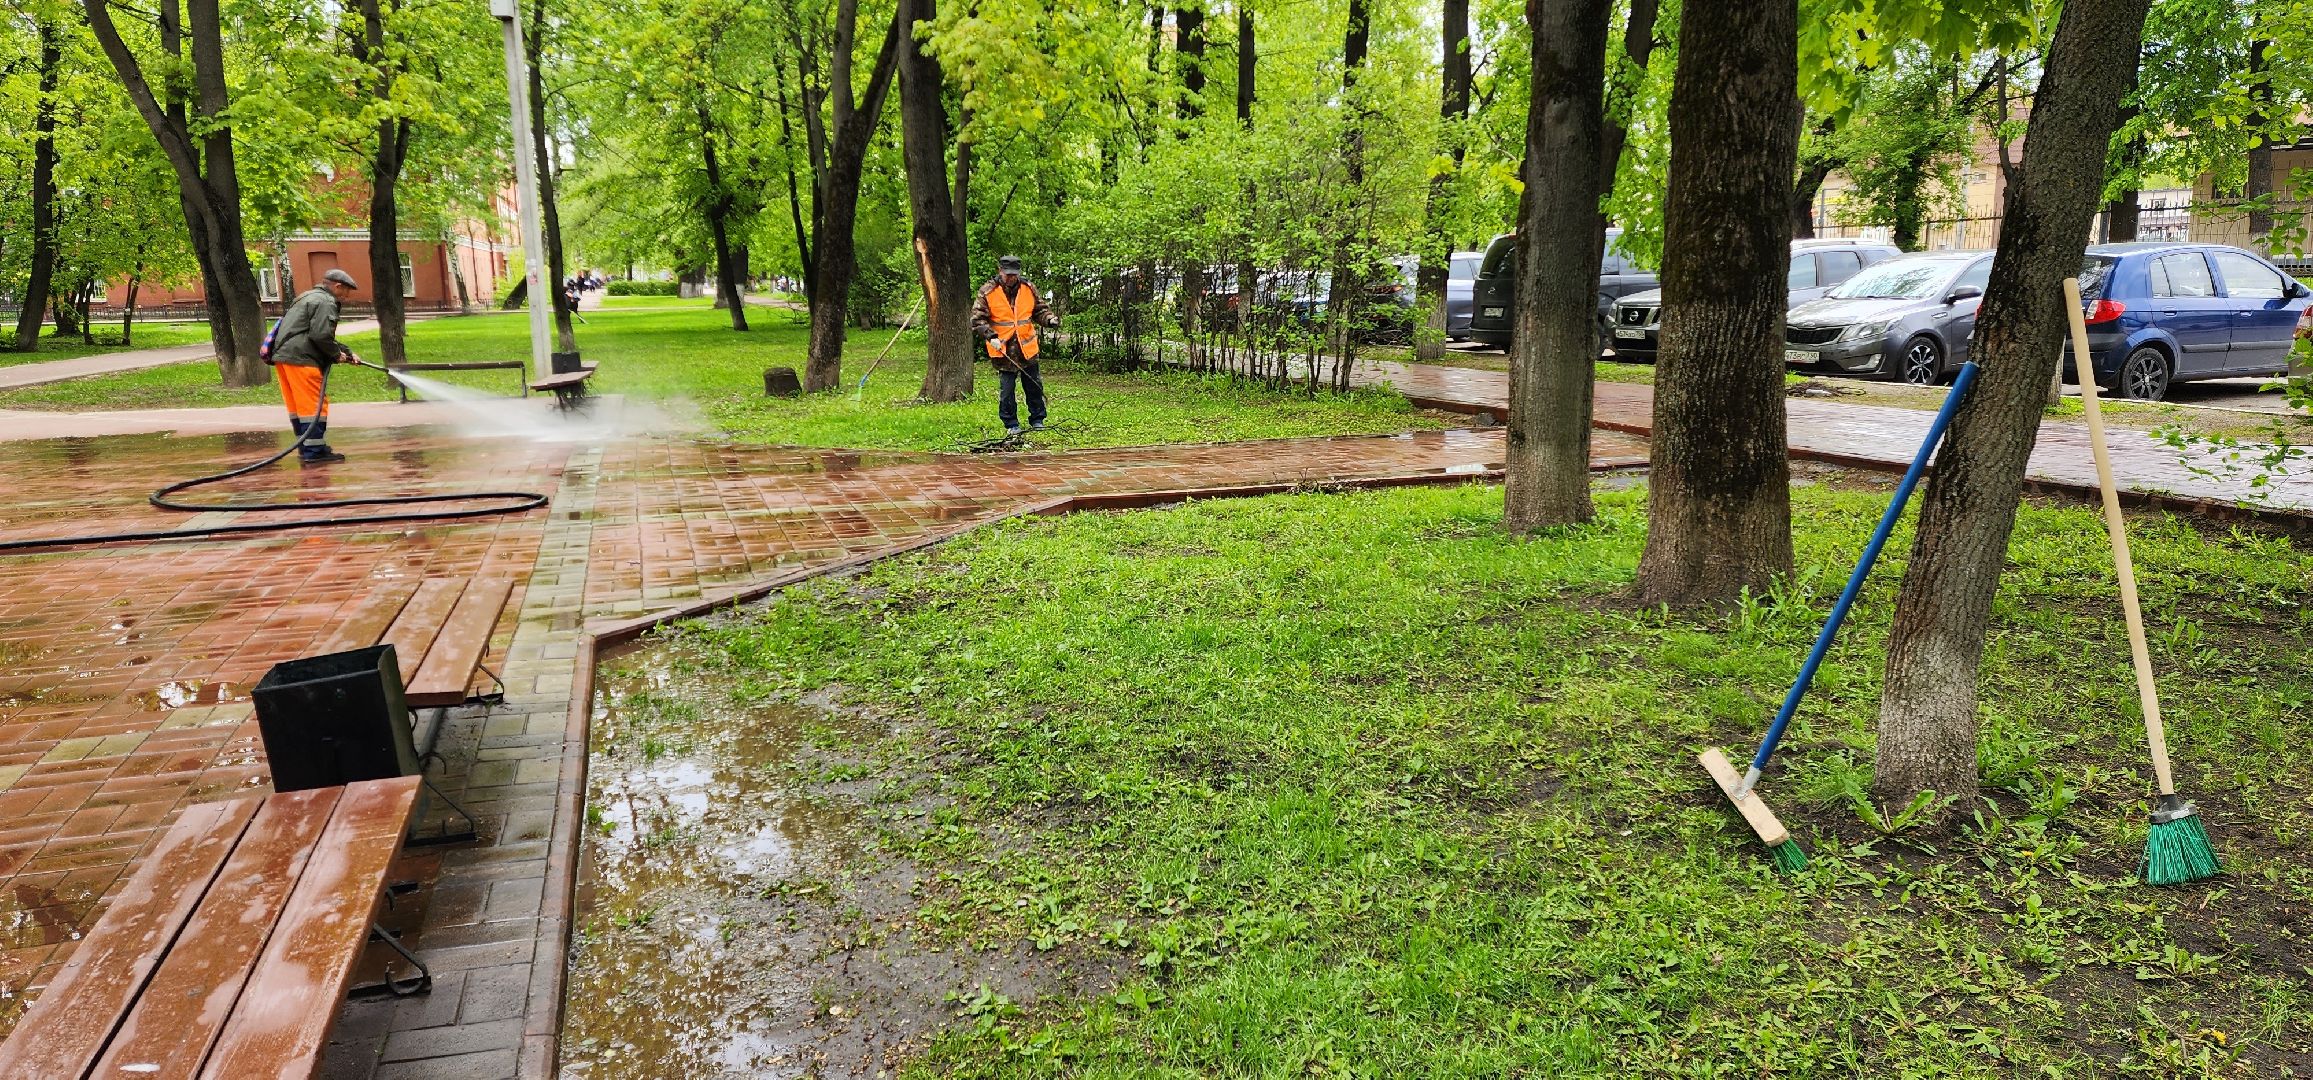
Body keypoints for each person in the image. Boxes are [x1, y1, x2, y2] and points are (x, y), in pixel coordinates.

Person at [267, 268, 360, 464]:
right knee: (312, 406)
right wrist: (336, 355)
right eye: (347, 291)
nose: (347, 296)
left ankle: (307, 447)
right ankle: (314, 452)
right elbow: (320, 336)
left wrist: (347, 352)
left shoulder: (307, 297)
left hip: (285, 358)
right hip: (303, 360)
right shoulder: (326, 302)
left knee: (298, 407)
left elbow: (309, 332)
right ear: (338, 286)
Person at [971, 255, 1062, 435]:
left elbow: (1040, 310)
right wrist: (990, 336)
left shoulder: (1028, 288)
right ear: (1000, 271)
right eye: (1007, 274)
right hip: (1003, 349)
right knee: (1007, 391)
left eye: (1014, 274)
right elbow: (977, 319)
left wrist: (1050, 319)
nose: (1011, 278)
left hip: (1026, 348)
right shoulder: (988, 291)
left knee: (1034, 386)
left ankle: (1038, 419)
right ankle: (1011, 424)